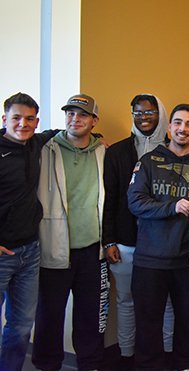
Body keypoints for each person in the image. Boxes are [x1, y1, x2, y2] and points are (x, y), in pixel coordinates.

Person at [127, 103, 189, 370]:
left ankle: (184, 363)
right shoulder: (148, 161)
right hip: (149, 259)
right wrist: (172, 206)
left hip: (187, 261)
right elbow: (135, 202)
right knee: (147, 321)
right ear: (169, 127)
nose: (183, 129)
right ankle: (148, 365)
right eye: (178, 122)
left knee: (188, 320)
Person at [32, 94, 109, 371]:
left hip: (92, 249)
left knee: (90, 315)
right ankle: (46, 364)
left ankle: (90, 364)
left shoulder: (102, 151)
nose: (74, 119)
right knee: (49, 315)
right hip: (55, 247)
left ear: (94, 121)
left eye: (82, 115)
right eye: (70, 114)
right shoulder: (45, 148)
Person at [102, 94, 177, 368]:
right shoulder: (117, 152)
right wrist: (108, 239)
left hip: (163, 244)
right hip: (126, 242)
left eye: (150, 112)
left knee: (166, 303)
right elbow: (109, 200)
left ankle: (167, 353)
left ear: (161, 115)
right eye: (138, 113)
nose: (144, 118)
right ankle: (126, 354)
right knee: (126, 301)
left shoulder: (174, 149)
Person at [0, 93, 59, 371]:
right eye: (16, 118)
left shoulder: (36, 143)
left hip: (30, 251)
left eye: (29, 119)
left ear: (36, 122)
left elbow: (61, 131)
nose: (23, 123)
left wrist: (97, 139)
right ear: (4, 119)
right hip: (1, 253)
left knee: (22, 326)